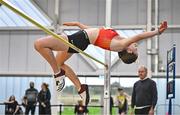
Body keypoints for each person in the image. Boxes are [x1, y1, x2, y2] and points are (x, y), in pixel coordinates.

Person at [34, 21, 167, 105]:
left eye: (135, 49)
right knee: (59, 62)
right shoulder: (118, 37)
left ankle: (57, 74)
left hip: (79, 39)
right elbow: (94, 32)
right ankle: (81, 88)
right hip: (81, 38)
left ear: (130, 51)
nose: (135, 46)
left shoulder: (121, 44)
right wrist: (78, 24)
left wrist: (157, 32)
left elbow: (139, 36)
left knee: (39, 44)